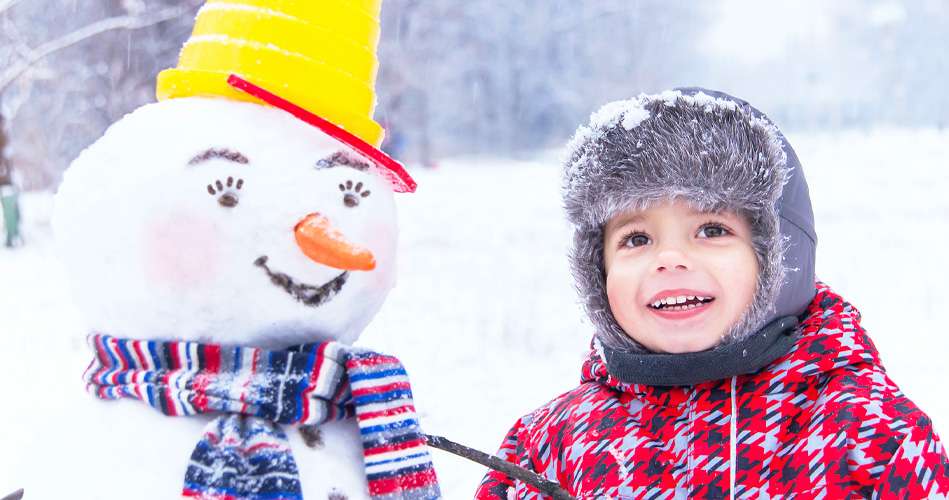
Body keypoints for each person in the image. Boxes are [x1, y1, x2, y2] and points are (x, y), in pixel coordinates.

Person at [474, 88, 949, 499]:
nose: (670, 258)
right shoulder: (552, 446)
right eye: (636, 239)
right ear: (597, 270)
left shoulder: (870, 434)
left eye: (712, 229)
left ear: (778, 255)